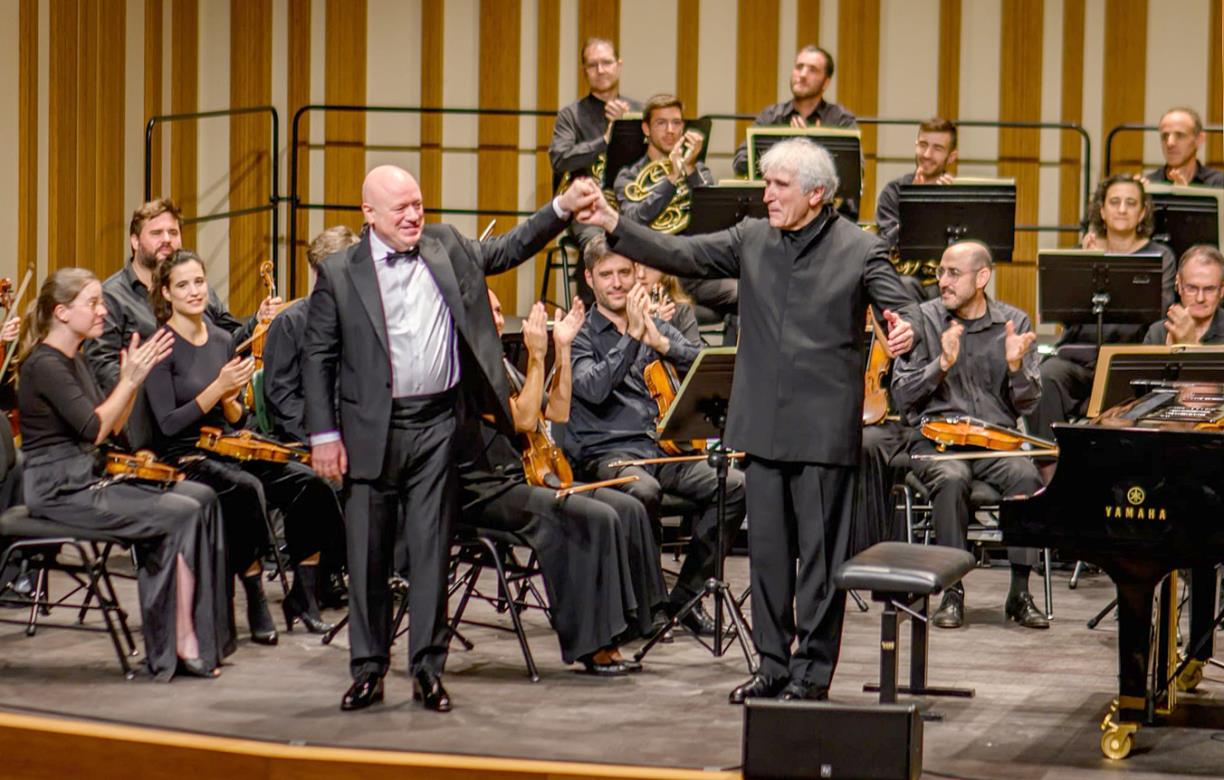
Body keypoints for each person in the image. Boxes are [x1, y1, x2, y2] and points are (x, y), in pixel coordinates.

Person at [576, 138, 917, 703]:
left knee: (819, 562)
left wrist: (902, 328)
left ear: (816, 193)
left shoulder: (861, 249)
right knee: (768, 560)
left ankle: (810, 674)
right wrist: (616, 222)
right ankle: (773, 666)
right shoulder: (751, 238)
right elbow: (680, 254)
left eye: (778, 186)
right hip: (760, 424)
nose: (766, 195)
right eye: (767, 184)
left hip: (822, 431)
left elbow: (897, 306)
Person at [301, 165, 602, 713]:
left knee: (431, 551)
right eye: (401, 209)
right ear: (369, 214)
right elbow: (317, 359)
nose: (415, 215)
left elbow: (510, 248)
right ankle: (368, 669)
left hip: (440, 425)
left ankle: (427, 670)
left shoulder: (446, 245)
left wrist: (560, 208)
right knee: (367, 555)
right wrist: (324, 434)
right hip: (372, 431)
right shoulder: (340, 273)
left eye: (418, 203)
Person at [15, 268, 230, 680]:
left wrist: (134, 382)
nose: (103, 311)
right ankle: (177, 644)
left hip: (83, 478)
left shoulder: (73, 359)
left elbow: (114, 426)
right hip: (59, 489)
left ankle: (203, 637)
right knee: (180, 513)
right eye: (92, 303)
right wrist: (129, 381)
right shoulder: (45, 365)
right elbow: (96, 429)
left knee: (200, 499)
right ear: (61, 312)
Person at [457, 289, 667, 674]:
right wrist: (537, 356)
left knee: (626, 506)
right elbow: (521, 419)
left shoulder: (500, 363)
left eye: (501, 309)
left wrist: (563, 349)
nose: (499, 320)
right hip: (483, 488)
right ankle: (593, 645)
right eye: (489, 313)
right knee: (593, 517)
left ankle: (638, 623)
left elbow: (557, 409)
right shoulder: (468, 367)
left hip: (520, 480)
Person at [145, 250, 340, 648]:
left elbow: (233, 418)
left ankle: (303, 594)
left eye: (199, 281)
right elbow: (166, 424)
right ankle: (253, 596)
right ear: (166, 292)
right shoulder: (160, 346)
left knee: (309, 482)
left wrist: (232, 398)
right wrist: (216, 388)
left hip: (228, 444)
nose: (194, 291)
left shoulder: (220, 339)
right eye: (182, 285)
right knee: (245, 489)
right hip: (184, 453)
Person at [563, 237, 745, 636]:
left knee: (733, 485)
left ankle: (688, 597)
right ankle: (650, 607)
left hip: (661, 450)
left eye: (624, 273)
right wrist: (632, 337)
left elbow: (701, 362)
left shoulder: (657, 325)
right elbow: (592, 388)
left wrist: (661, 342)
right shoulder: (580, 333)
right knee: (642, 492)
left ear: (636, 275)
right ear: (590, 279)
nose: (617, 283)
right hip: (608, 453)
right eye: (606, 275)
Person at [891, 241, 1048, 630]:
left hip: (995, 441)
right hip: (936, 442)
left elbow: (1026, 405)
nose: (942, 281)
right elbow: (902, 395)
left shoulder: (1014, 322)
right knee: (951, 478)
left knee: (1028, 477)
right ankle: (952, 590)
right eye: (941, 272)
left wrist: (1015, 367)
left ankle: (1020, 592)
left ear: (982, 277)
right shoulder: (923, 320)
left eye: (953, 273)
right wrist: (941, 364)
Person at [84, 199, 281, 448]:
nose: (167, 239)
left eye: (173, 232)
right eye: (156, 233)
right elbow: (102, 369)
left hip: (208, 420)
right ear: (134, 242)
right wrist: (164, 384)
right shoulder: (112, 297)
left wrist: (257, 321)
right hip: (147, 425)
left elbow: (230, 339)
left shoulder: (194, 290)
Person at [1025, 174, 1177, 448]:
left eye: (1131, 203)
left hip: (1128, 360)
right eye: (1114, 202)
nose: (1122, 209)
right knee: (1045, 378)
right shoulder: (1080, 251)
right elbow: (1061, 315)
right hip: (1079, 359)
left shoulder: (1161, 256)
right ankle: (1048, 465)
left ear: (1142, 212)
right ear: (1102, 211)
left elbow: (1158, 312)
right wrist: (1085, 263)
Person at [614, 93, 736, 321]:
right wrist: (671, 179)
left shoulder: (699, 170)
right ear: (646, 129)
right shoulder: (628, 176)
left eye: (676, 123)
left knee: (744, 292)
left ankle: (735, 357)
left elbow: (714, 220)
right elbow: (632, 220)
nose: (670, 130)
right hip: (650, 273)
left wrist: (689, 171)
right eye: (661, 123)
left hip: (692, 272)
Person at [731, 46, 859, 220]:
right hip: (774, 214)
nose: (803, 74)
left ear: (826, 82)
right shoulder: (770, 117)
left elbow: (852, 175)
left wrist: (810, 148)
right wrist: (789, 149)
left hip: (825, 217)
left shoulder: (841, 121)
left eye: (812, 70)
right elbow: (741, 162)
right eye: (799, 67)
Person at [264, 226, 360, 443]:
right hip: (307, 438)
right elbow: (282, 399)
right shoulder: (289, 323)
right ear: (316, 272)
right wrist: (324, 437)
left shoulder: (363, 319)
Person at [548, 38, 641, 188]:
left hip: (633, 205)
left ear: (619, 65)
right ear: (584, 71)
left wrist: (628, 126)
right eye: (592, 65)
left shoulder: (640, 111)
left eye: (607, 62)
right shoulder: (570, 115)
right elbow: (560, 161)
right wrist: (605, 140)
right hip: (586, 205)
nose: (600, 70)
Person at [876, 118, 959, 249]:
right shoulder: (893, 191)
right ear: (916, 145)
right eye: (923, 145)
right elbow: (885, 246)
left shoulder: (960, 196)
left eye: (937, 148)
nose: (927, 154)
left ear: (951, 157)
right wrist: (913, 208)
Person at [1144, 244, 1224, 345]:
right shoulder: (1157, 333)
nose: (1200, 298)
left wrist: (1190, 345)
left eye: (1209, 289)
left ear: (1222, 290)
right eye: (1192, 288)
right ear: (1179, 285)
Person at [1145, 107, 1224, 187]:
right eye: (1165, 136)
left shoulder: (1218, 182)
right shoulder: (1149, 183)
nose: (1170, 143)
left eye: (1180, 135)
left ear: (1199, 139)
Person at [633, 261, 701, 344]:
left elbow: (696, 354)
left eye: (649, 266)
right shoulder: (619, 310)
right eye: (636, 265)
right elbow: (620, 355)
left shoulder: (680, 310)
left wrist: (665, 329)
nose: (641, 274)